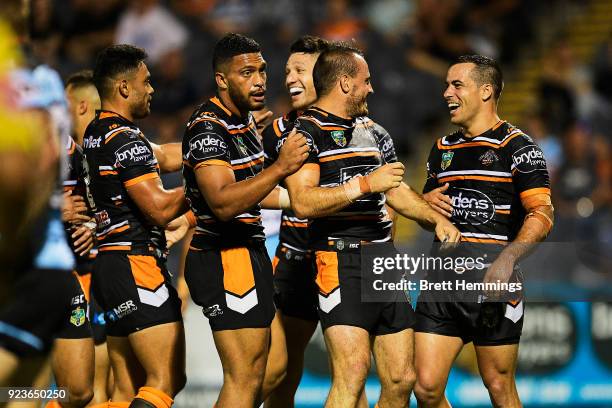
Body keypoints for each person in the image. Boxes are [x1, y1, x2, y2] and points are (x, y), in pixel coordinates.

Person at [283, 43, 461, 408]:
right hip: (339, 259)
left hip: (384, 260)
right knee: (353, 372)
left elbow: (395, 188)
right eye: (366, 81)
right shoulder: (306, 132)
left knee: (401, 377)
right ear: (346, 84)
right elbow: (302, 202)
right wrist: (364, 184)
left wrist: (434, 219)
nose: (371, 88)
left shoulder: (375, 131)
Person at [415, 55, 554, 408]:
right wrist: (424, 205)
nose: (447, 92)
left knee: (498, 386)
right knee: (426, 389)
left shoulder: (517, 147)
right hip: (442, 281)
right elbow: (429, 215)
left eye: (456, 85)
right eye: (447, 84)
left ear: (486, 91)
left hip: (493, 281)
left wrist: (508, 259)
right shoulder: (442, 149)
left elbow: (543, 212)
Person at [181, 33, 308, 407]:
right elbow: (221, 202)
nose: (259, 80)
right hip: (225, 255)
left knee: (274, 367)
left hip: (248, 253)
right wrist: (281, 167)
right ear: (222, 80)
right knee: (246, 377)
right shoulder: (209, 128)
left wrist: (298, 201)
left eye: (263, 71)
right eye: (246, 72)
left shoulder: (242, 123)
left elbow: (252, 190)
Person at [85, 44, 189, 408]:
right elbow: (160, 210)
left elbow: (162, 155)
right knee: (166, 379)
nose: (152, 90)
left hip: (109, 267)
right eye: (146, 82)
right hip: (137, 264)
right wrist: (204, 185)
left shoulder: (97, 133)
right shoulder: (127, 139)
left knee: (125, 389)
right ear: (124, 88)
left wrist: (214, 146)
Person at [260, 35, 331, 408]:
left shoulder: (359, 129)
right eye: (287, 70)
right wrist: (298, 201)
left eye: (300, 70)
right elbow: (247, 189)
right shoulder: (275, 132)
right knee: (281, 371)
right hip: (294, 263)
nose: (289, 78)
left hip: (346, 262)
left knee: (354, 369)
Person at [64, 69, 115, 407]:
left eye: (62, 103)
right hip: (48, 279)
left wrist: (96, 229)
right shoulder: (49, 150)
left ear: (81, 107)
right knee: (78, 389)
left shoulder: (108, 151)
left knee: (97, 386)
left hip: (94, 275)